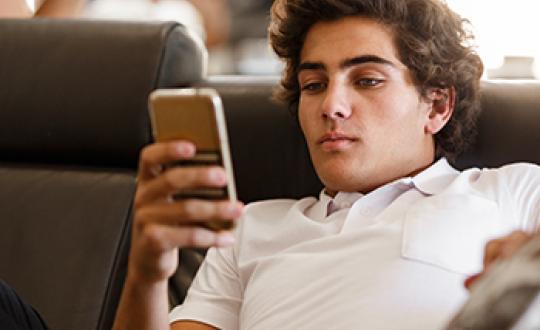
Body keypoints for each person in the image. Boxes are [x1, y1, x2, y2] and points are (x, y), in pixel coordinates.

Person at [113, 0, 540, 329]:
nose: (331, 106)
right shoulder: (250, 227)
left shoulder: (513, 192)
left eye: (367, 80)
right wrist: (148, 275)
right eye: (313, 85)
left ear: (438, 105)